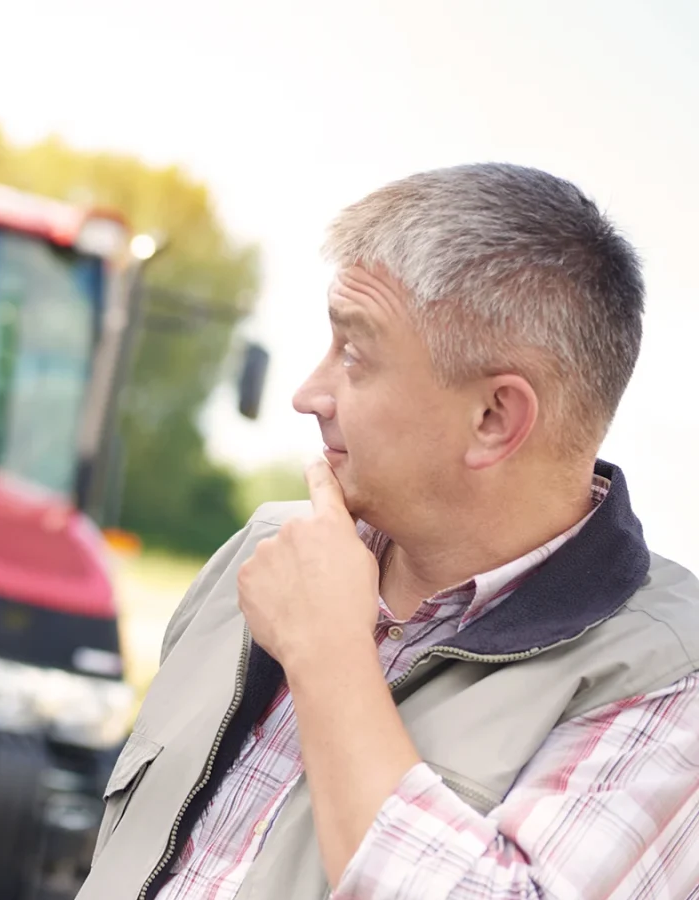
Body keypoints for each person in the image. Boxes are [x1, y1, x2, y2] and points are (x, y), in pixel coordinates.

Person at [79, 163, 699, 899]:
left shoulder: (669, 676)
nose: (308, 394)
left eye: (355, 353)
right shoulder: (264, 553)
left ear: (494, 418)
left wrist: (329, 657)